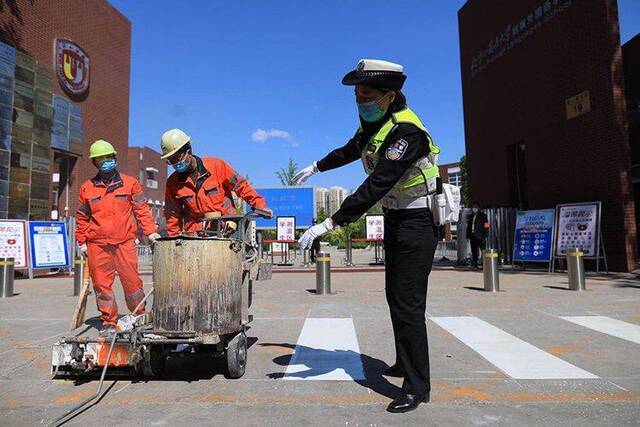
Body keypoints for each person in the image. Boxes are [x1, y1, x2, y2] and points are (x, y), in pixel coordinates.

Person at [295, 59, 441, 413]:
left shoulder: (407, 134)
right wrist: (317, 166)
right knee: (395, 296)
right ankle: (405, 363)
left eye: (367, 94)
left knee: (409, 304)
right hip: (396, 219)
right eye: (357, 94)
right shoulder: (376, 126)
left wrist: (330, 224)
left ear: (389, 96)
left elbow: (376, 184)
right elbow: (351, 149)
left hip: (418, 221)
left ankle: (417, 386)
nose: (360, 100)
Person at [76, 140, 160, 336]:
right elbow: (82, 217)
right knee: (102, 285)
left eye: (108, 157)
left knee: (132, 283)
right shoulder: (86, 189)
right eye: (101, 159)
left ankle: (139, 315)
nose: (106, 162)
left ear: (115, 158)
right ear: (94, 162)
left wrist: (150, 231)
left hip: (124, 243)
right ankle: (108, 321)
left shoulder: (130, 183)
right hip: (97, 245)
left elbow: (141, 209)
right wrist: (82, 241)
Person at [161, 129, 272, 236]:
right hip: (195, 237)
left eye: (177, 158)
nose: (175, 163)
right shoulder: (173, 183)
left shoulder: (217, 166)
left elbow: (241, 186)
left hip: (226, 231)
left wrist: (260, 205)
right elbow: (172, 215)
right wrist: (174, 242)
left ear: (189, 151)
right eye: (171, 160)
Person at [466, 202, 489, 269]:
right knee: (474, 251)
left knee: (483, 250)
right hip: (472, 235)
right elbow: (469, 226)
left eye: (476, 207)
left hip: (480, 235)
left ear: (479, 208)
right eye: (473, 207)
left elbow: (486, 225)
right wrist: (468, 235)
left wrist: (486, 234)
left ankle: (484, 264)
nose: (474, 208)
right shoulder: (471, 216)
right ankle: (475, 264)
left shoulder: (483, 216)